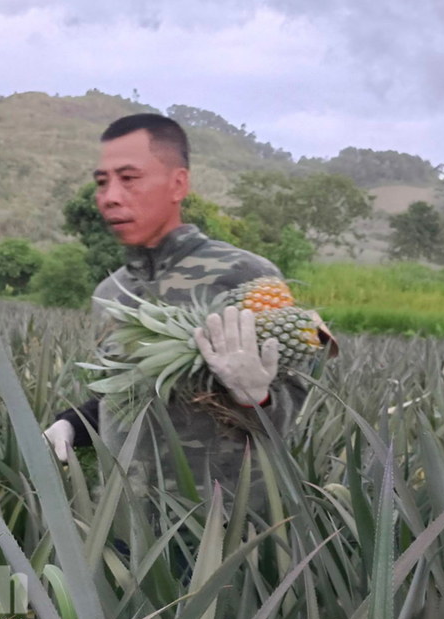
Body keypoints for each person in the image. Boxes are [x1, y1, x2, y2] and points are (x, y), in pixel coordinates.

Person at [43, 113, 311, 517]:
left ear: (178, 184)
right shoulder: (109, 292)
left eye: (129, 178)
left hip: (223, 526)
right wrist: (72, 424)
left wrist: (256, 396)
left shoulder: (247, 275)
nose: (110, 196)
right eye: (102, 182)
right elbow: (124, 399)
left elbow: (289, 413)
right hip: (123, 521)